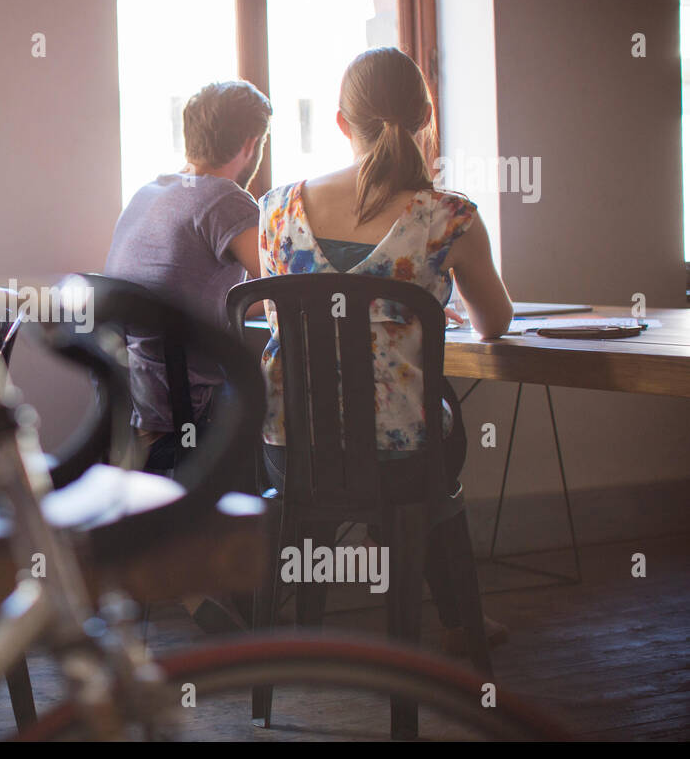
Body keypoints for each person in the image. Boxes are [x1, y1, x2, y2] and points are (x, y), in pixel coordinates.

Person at [256, 46, 514, 656]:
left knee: (391, 453)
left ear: (342, 123)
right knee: (434, 449)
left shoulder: (276, 209)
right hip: (403, 455)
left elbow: (279, 318)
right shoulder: (449, 218)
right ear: (425, 120)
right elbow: (496, 322)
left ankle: (302, 636)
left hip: (293, 451)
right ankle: (460, 624)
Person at [104, 79, 272, 636]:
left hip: (139, 394)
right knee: (298, 405)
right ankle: (262, 579)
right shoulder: (226, 199)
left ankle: (194, 577)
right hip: (190, 401)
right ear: (249, 145)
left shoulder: (152, 190)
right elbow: (284, 288)